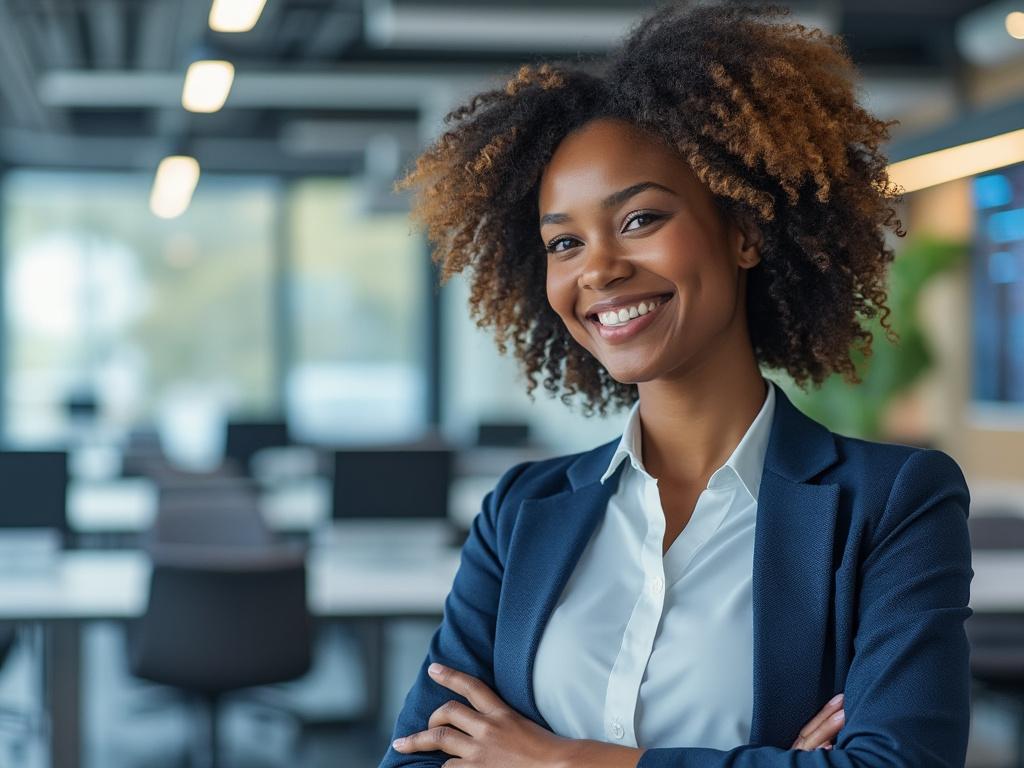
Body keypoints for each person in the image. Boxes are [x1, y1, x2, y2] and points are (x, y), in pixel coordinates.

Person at [380, 2, 973, 766]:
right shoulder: (523, 512)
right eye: (564, 241)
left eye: (639, 220)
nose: (597, 268)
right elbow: (417, 756)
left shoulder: (893, 504)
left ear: (745, 230)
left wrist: (558, 759)